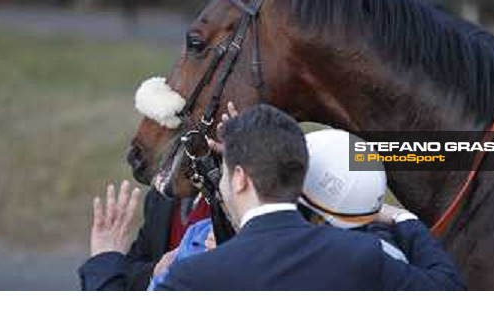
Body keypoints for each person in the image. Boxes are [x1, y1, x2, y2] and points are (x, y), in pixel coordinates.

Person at [78, 104, 465, 291]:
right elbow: (448, 293)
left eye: (228, 171)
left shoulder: (195, 275)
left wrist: (104, 262)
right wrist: (402, 220)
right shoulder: (362, 260)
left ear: (242, 179)